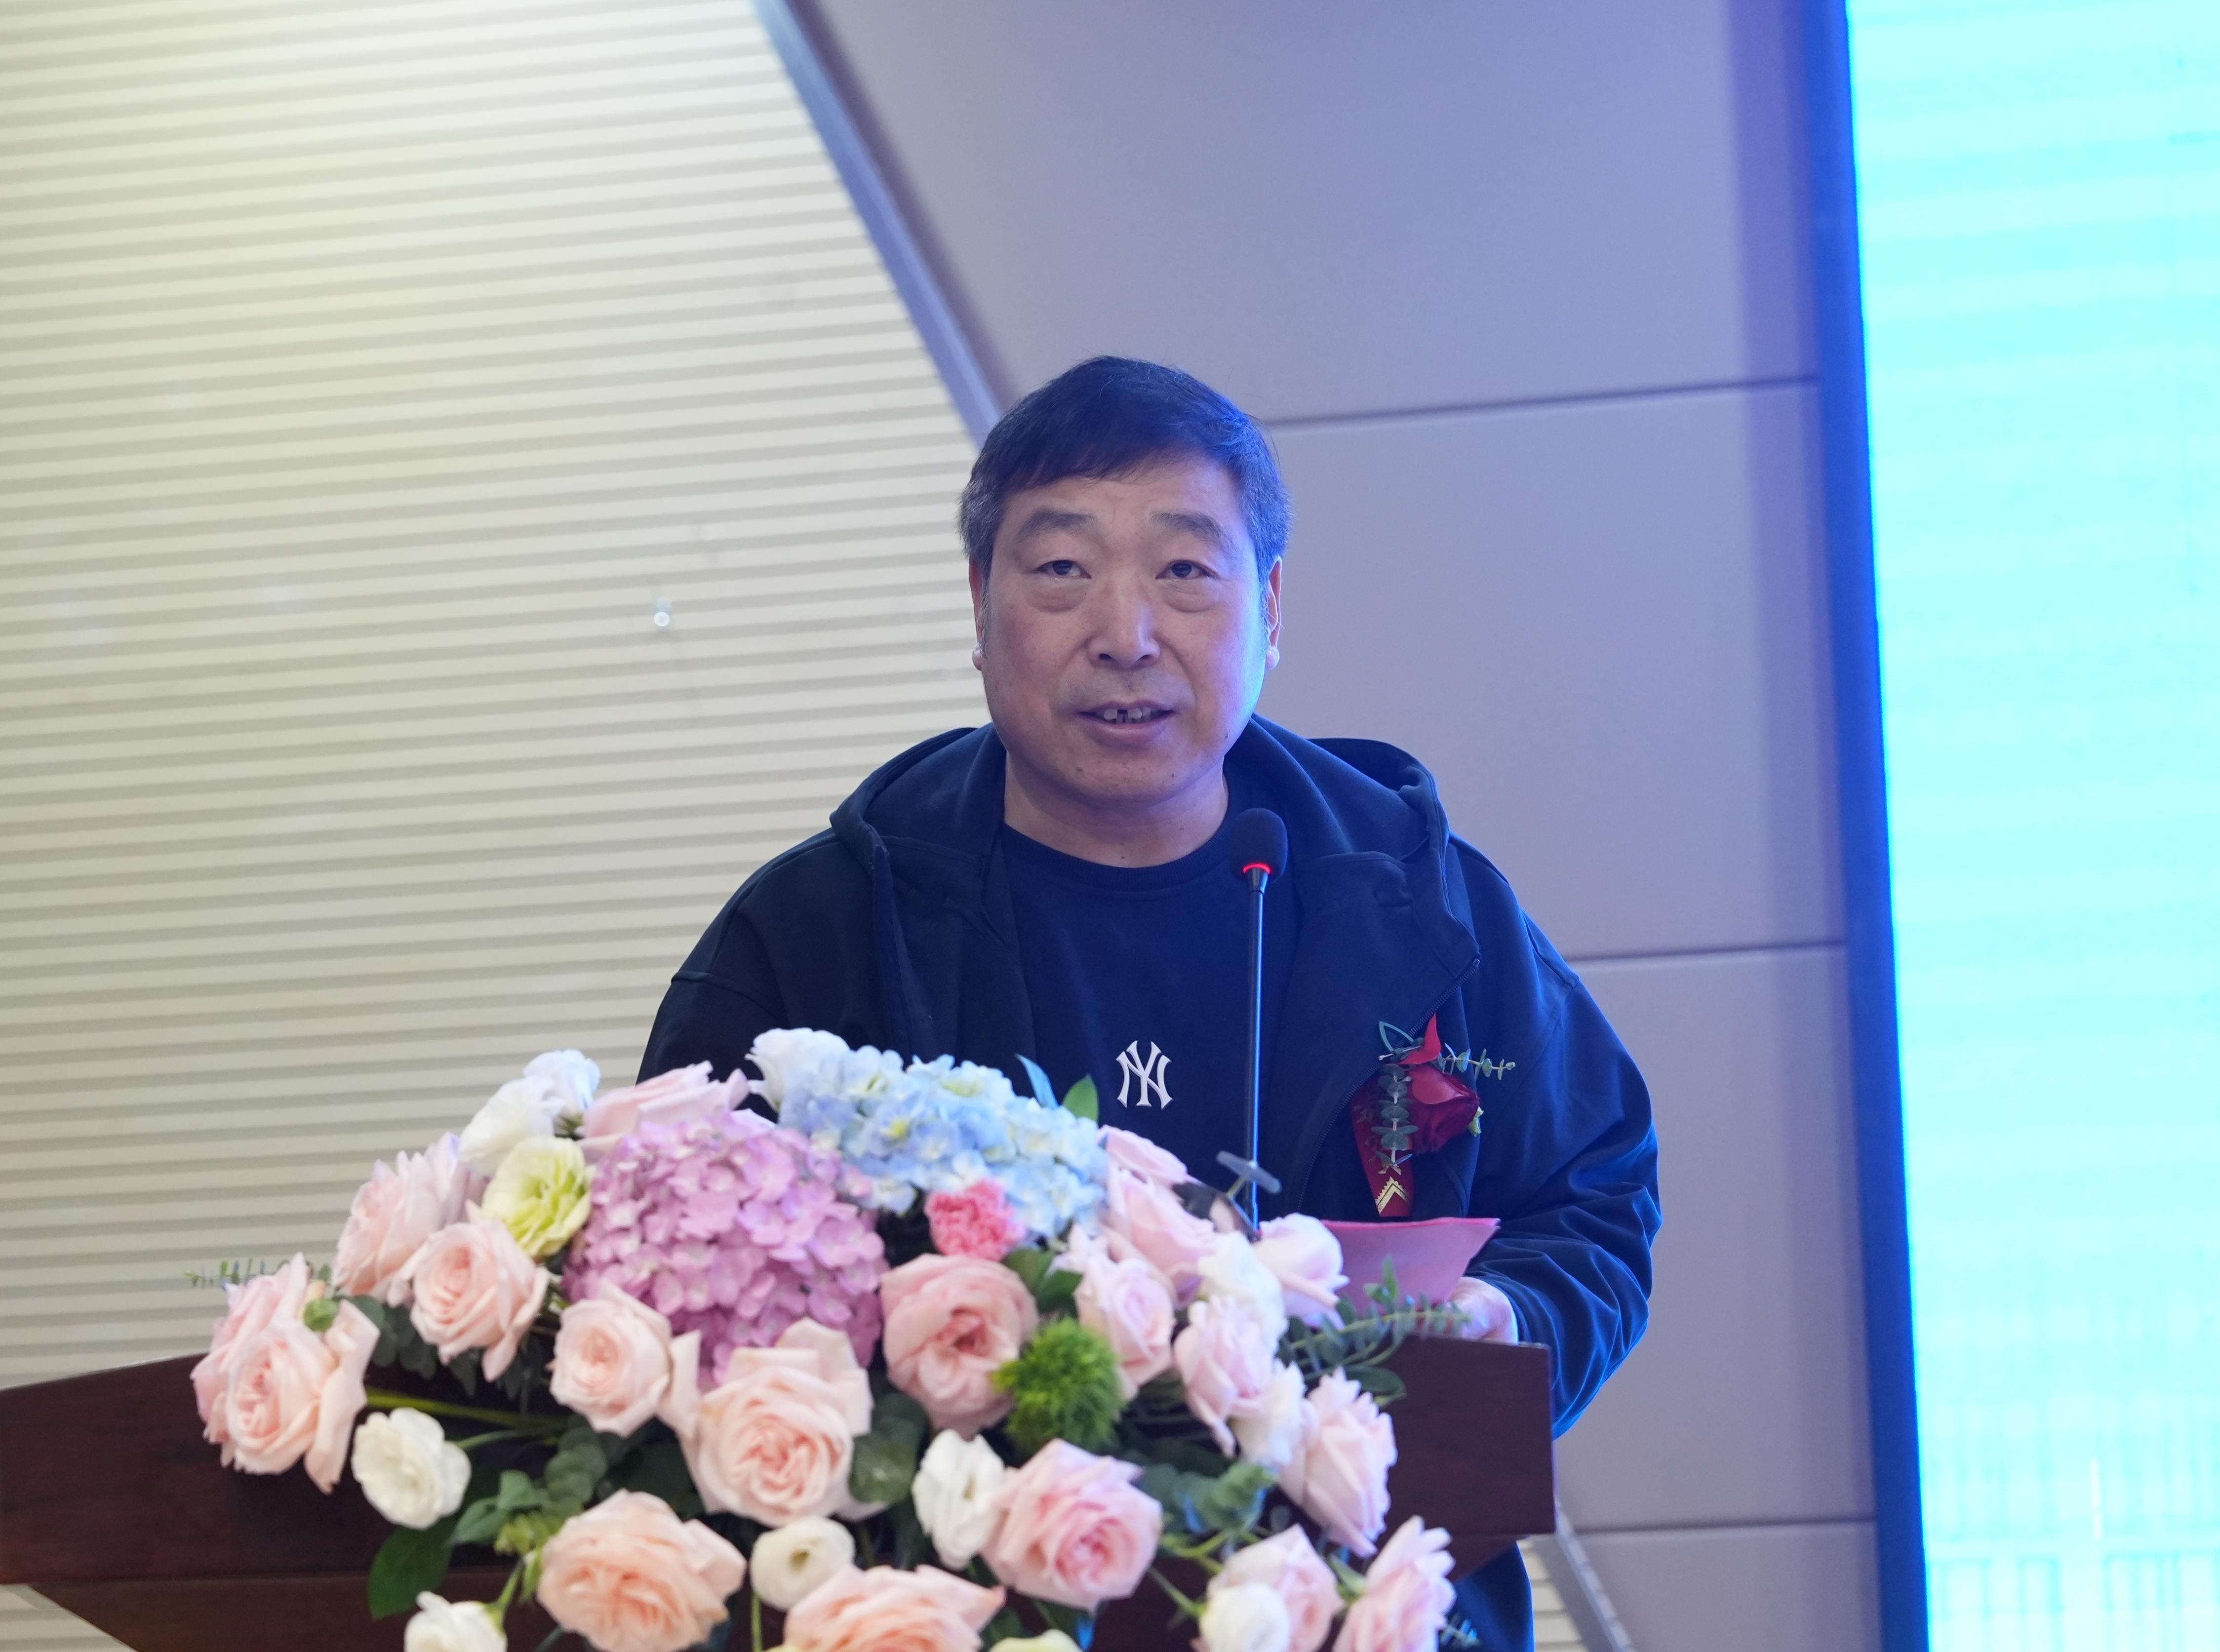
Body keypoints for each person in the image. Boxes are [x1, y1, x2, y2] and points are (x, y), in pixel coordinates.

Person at [641, 355, 1659, 1650]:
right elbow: (672, 1253)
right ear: (980, 603)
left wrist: (1510, 1320)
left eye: (1184, 570)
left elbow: (1595, 1189)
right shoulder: (825, 928)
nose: (1125, 633)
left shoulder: (1420, 909)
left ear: (1270, 607)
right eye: (1063, 569)